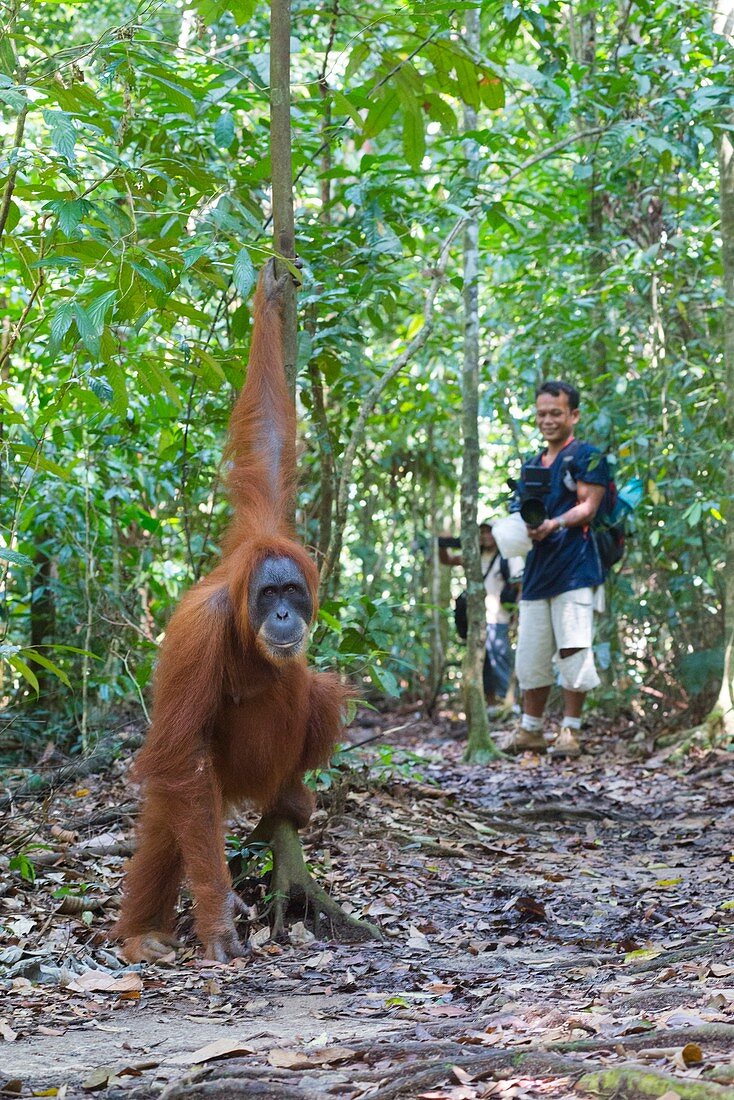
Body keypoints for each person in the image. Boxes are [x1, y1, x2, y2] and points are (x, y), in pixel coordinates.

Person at [505, 380, 609, 758]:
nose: (547, 420)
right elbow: (520, 507)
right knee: (530, 653)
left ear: (574, 415)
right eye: (542, 414)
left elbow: (589, 507)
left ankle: (570, 731)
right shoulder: (532, 463)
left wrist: (555, 524)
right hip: (537, 572)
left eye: (556, 413)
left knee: (574, 649)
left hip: (576, 569)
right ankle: (531, 729)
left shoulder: (588, 456)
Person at [439, 523, 523, 709]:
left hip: (499, 619)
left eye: (489, 531)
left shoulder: (508, 557)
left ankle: (508, 703)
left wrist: (517, 616)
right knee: (482, 664)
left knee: (500, 659)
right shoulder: (474, 556)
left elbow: (520, 587)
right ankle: (491, 704)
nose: (485, 536)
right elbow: (448, 560)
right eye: (482, 532)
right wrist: (442, 542)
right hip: (477, 619)